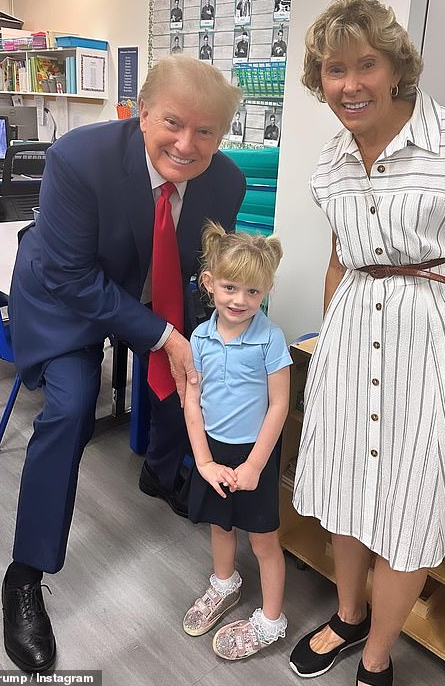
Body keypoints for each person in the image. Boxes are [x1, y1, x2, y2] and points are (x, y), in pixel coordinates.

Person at [289, 0, 445, 686]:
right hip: (353, 334)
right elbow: (338, 261)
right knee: (346, 488)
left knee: (416, 505)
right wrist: (327, 351)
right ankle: (348, 615)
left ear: (393, 69)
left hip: (439, 340)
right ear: (319, 79)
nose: (350, 83)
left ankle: (378, 653)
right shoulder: (329, 162)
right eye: (334, 68)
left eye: (365, 63)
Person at [3, 54, 246, 673]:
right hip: (67, 299)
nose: (187, 144)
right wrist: (164, 334)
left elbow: (201, 271)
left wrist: (218, 329)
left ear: (222, 134)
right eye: (172, 122)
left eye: (206, 132)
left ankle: (161, 472)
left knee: (188, 375)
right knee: (71, 408)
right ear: (140, 113)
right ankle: (25, 574)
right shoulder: (80, 159)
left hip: (148, 293)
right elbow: (71, 275)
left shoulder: (226, 182)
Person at [182, 222, 291, 660]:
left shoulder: (271, 338)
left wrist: (254, 466)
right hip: (215, 452)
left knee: (264, 541)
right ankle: (225, 585)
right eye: (230, 287)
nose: (240, 300)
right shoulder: (200, 337)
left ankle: (271, 621)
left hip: (255, 455)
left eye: (253, 292)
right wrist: (205, 463)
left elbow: (279, 406)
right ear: (209, 284)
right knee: (220, 525)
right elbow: (192, 403)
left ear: (265, 292)